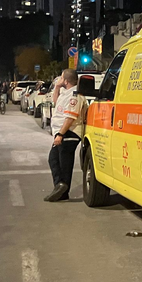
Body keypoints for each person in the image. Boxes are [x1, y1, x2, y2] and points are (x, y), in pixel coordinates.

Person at [45, 69, 88, 202]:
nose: (59, 80)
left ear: (66, 80)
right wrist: (57, 87)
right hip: (61, 131)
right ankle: (61, 188)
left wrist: (60, 134)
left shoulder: (75, 96)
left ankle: (62, 189)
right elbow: (56, 102)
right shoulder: (66, 93)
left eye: (61, 78)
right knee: (54, 159)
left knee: (64, 163)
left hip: (69, 132)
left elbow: (70, 118)